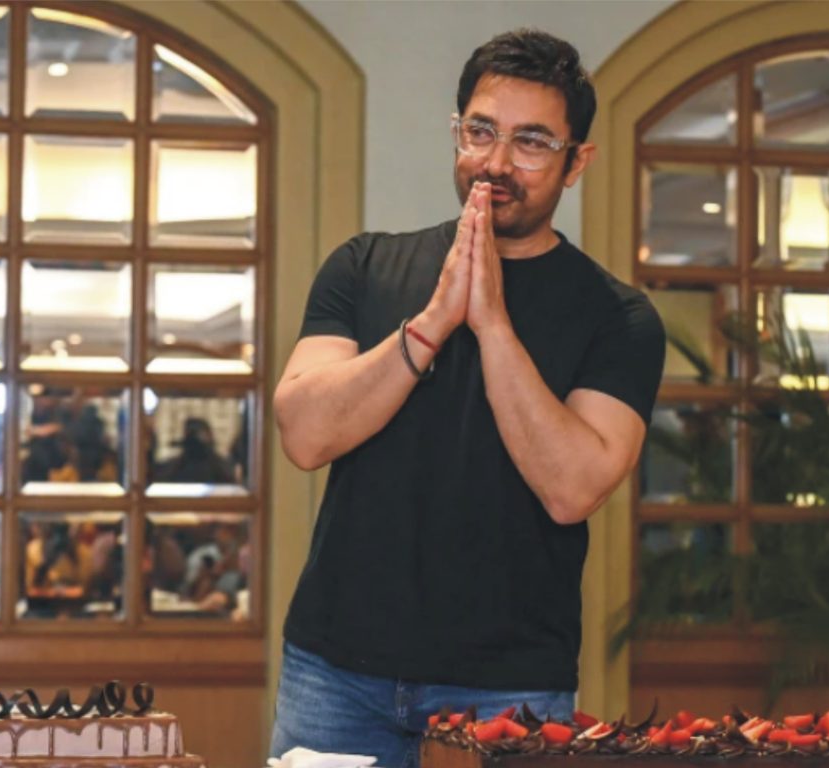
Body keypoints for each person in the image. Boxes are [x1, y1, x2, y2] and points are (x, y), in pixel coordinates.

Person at [270, 29, 666, 768]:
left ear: (577, 161)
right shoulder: (363, 265)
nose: (496, 162)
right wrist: (430, 324)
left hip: (511, 687)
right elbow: (304, 434)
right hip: (335, 671)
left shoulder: (620, 318)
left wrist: (491, 325)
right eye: (480, 132)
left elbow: (572, 489)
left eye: (532, 142)